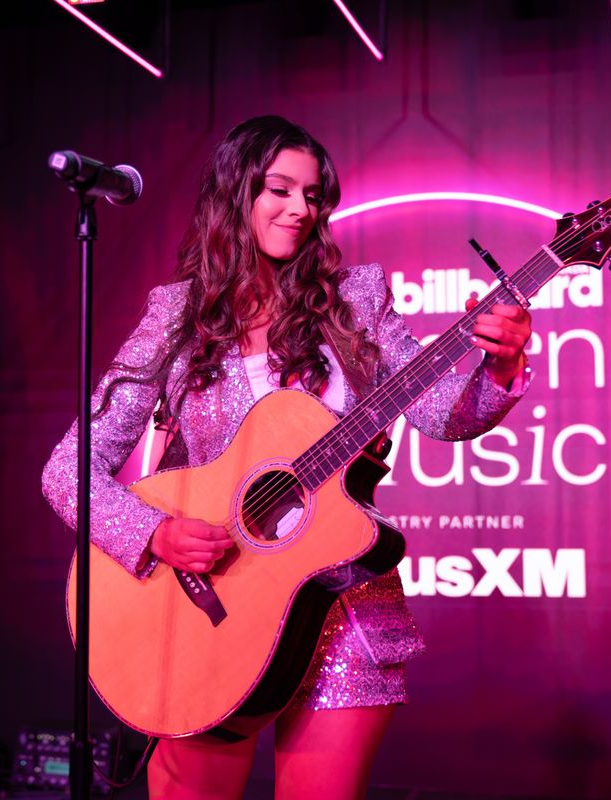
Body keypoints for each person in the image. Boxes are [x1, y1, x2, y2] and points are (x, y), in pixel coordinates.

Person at [42, 115, 532, 799]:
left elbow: (439, 412)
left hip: (344, 610)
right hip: (208, 609)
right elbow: (68, 469)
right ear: (235, 192)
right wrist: (153, 533)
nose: (301, 210)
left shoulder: (354, 300)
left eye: (313, 196)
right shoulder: (176, 316)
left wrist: (501, 368)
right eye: (280, 190)